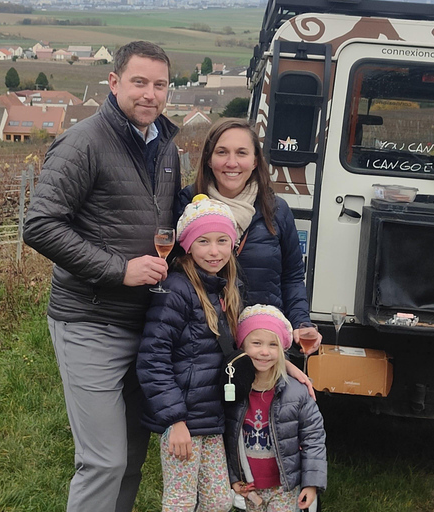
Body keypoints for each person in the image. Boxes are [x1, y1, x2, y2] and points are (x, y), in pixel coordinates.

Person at [22, 41, 180, 512]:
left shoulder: (167, 146)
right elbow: (40, 225)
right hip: (90, 322)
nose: (150, 94)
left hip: (145, 326)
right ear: (114, 83)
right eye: (139, 82)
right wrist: (120, 270)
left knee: (132, 458)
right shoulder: (84, 141)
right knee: (104, 461)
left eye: (160, 85)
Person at [178, 118, 322, 354]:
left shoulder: (276, 210)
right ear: (208, 159)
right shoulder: (187, 204)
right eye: (222, 152)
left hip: (262, 344)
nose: (231, 162)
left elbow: (292, 277)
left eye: (241, 153)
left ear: (255, 161)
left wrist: (301, 323)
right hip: (202, 343)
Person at [137, 195, 241, 512]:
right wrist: (175, 420)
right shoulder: (176, 290)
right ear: (188, 246)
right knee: (181, 501)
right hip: (182, 419)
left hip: (210, 416)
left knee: (219, 501)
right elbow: (152, 359)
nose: (214, 251)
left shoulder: (224, 288)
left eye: (223, 240)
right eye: (204, 241)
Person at [224, 305, 327, 512]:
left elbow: (313, 439)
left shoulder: (296, 393)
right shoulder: (233, 393)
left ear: (281, 350)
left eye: (273, 344)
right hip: (250, 486)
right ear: (242, 346)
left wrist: (311, 483)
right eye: (256, 343)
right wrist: (233, 478)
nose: (264, 352)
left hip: (284, 487)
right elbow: (226, 440)